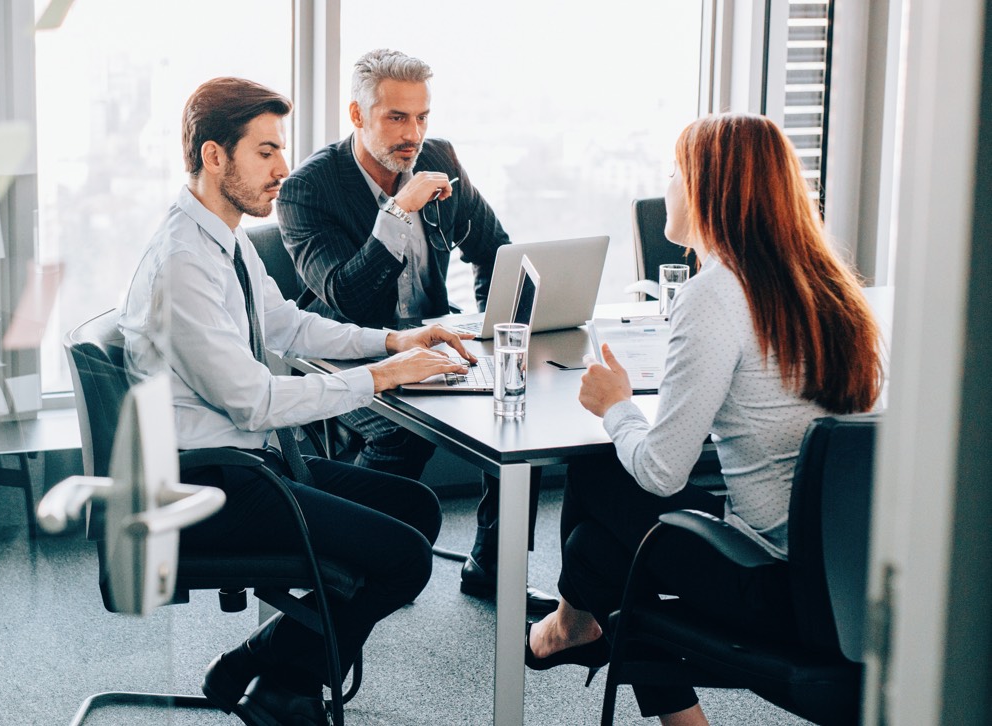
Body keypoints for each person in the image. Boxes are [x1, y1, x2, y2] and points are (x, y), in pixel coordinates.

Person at [120, 76, 478, 726]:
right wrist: (383, 376)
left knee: (415, 506)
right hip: (203, 483)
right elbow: (254, 401)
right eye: (264, 152)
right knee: (403, 556)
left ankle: (269, 661)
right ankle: (285, 688)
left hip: (242, 464)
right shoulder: (184, 263)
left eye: (280, 148)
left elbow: (286, 324)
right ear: (213, 157)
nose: (283, 167)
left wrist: (396, 338)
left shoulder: (217, 239)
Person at [525, 113, 884, 726]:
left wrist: (616, 406)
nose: (666, 183)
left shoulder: (717, 294)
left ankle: (571, 625)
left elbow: (661, 473)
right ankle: (574, 626)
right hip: (853, 580)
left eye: (674, 171)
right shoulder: (833, 291)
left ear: (705, 188)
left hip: (778, 587)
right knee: (605, 529)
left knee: (602, 480)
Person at [276, 48, 554, 610]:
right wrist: (398, 211)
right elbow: (347, 297)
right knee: (398, 432)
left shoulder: (439, 159)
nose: (413, 134)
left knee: (518, 412)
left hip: (429, 338)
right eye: (396, 118)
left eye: (422, 117)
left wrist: (494, 328)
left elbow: (495, 250)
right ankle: (356, 564)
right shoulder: (308, 190)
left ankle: (493, 568)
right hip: (346, 350)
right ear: (357, 116)